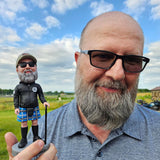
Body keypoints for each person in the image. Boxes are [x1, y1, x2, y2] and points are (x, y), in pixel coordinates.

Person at [5, 11, 160, 160]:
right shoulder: (45, 129)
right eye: (102, 56)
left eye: (132, 60)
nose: (118, 74)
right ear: (78, 61)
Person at [13, 53, 50, 148]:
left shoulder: (37, 86)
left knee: (35, 122)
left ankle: (35, 137)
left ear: (36, 67)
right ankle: (24, 139)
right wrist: (16, 107)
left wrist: (44, 101)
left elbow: (41, 95)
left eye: (31, 64)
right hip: (23, 108)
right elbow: (16, 98)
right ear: (17, 69)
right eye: (23, 65)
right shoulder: (18, 87)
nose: (27, 67)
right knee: (24, 123)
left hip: (34, 107)